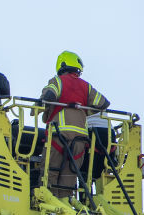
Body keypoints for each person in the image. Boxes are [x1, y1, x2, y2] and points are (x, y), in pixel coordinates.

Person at [40, 51, 109, 198]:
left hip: (59, 134)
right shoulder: (86, 86)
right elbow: (103, 103)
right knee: (69, 175)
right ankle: (65, 201)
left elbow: (49, 96)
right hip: (80, 139)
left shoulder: (58, 81)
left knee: (50, 172)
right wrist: (83, 109)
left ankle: (48, 203)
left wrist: (44, 103)